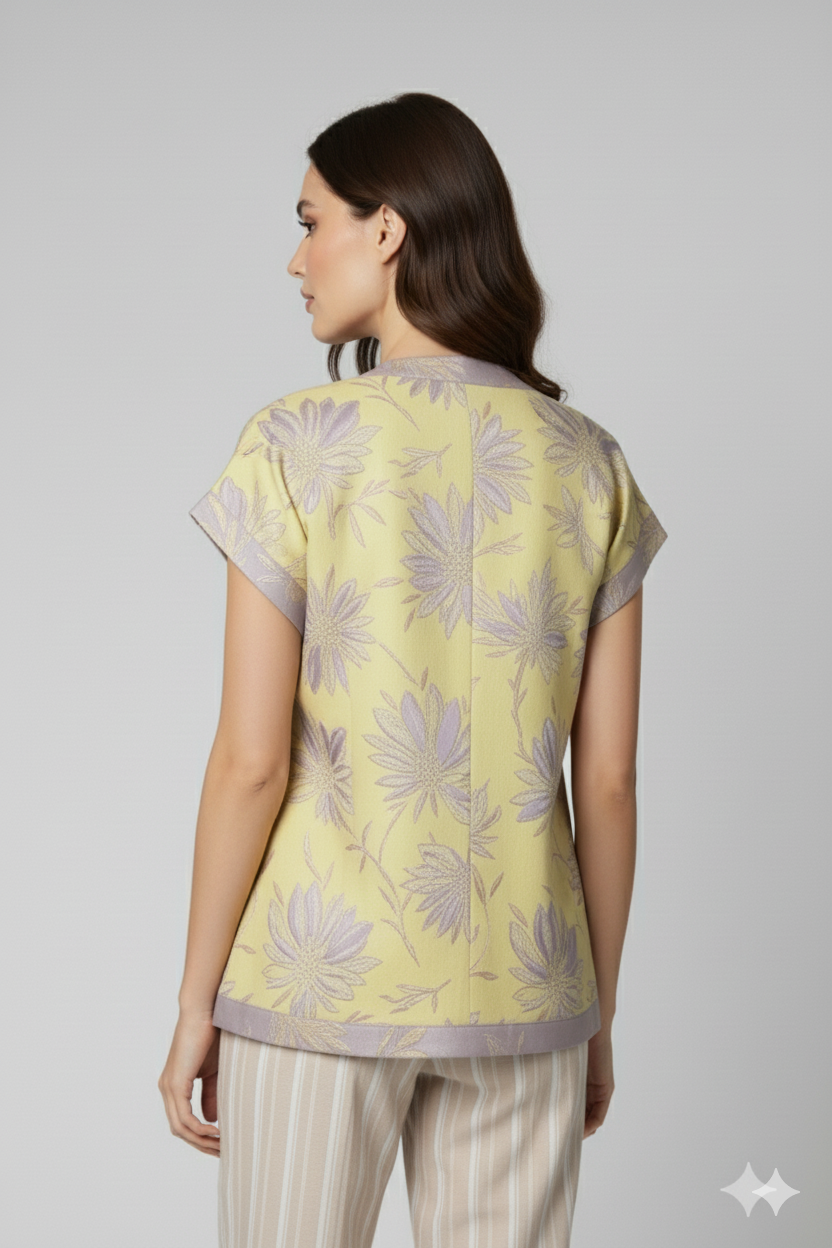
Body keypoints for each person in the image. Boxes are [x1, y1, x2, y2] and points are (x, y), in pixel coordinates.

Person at [158, 91, 668, 1247]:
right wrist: (593, 1011)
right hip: (525, 989)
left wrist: (195, 1002)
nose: (296, 259)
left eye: (311, 223)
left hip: (318, 984)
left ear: (386, 229)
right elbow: (608, 782)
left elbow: (251, 761)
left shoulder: (295, 444)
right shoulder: (591, 466)